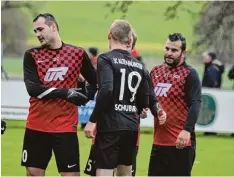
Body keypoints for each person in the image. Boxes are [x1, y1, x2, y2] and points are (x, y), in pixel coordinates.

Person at [21, 13, 97, 176]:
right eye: (35, 31)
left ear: (53, 27)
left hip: (65, 127)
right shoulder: (31, 55)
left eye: (40, 29)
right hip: (36, 125)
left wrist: (84, 94)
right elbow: (33, 89)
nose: (38, 34)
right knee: (33, 174)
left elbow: (96, 82)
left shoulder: (76, 54)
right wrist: (66, 93)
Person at [83, 19, 150, 176]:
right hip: (131, 128)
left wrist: (92, 121)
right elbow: (144, 100)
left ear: (109, 35)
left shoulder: (105, 59)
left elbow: (106, 90)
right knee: (125, 174)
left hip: (110, 126)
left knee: (104, 171)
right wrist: (142, 109)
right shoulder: (139, 65)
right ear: (129, 40)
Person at [148, 33, 201, 176]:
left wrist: (187, 130)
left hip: (181, 142)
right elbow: (149, 98)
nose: (169, 53)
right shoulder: (155, 72)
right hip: (158, 142)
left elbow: (196, 104)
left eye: (174, 50)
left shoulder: (189, 74)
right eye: (167, 49)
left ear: (183, 53)